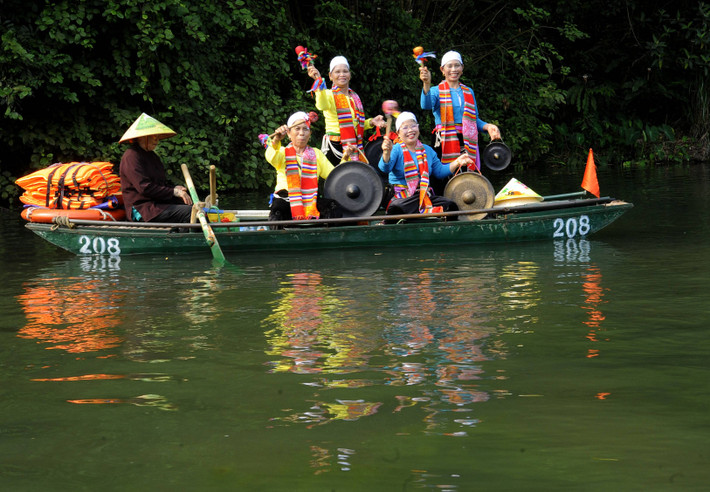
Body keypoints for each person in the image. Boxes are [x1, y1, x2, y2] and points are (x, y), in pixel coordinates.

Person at [420, 50, 501, 192]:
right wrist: (426, 84)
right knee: (445, 176)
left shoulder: (468, 91)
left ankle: (470, 206)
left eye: (457, 65)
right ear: (442, 70)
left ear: (462, 68)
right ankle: (445, 208)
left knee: (467, 176)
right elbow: (425, 105)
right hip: (444, 140)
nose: (453, 69)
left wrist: (488, 127)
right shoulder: (435, 90)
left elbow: (474, 121)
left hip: (467, 140)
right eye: (449, 66)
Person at [378, 111, 473, 216]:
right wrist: (386, 153)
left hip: (424, 196)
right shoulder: (396, 149)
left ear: (418, 128)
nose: (410, 130)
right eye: (405, 127)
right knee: (398, 208)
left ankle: (425, 212)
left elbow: (440, 172)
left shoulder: (427, 150)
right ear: (398, 133)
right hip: (402, 197)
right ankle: (423, 211)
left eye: (413, 126)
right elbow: (385, 169)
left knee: (450, 205)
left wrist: (458, 162)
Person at [265, 111, 344, 222]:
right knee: (278, 211)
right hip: (287, 199)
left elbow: (334, 175)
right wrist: (276, 139)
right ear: (288, 133)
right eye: (297, 129)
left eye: (305, 129)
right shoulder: (282, 152)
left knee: (333, 207)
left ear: (310, 133)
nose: (301, 133)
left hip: (310, 200)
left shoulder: (316, 154)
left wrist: (345, 157)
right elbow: (270, 157)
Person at [307, 55, 386, 166]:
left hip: (353, 145)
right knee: (337, 181)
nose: (342, 74)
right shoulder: (328, 94)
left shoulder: (354, 96)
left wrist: (371, 122)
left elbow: (355, 124)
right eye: (337, 72)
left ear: (349, 75)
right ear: (330, 76)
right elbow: (322, 105)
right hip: (336, 146)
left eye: (345, 71)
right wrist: (318, 81)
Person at [119, 113, 193, 223]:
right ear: (142, 137)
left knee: (194, 206)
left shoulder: (152, 156)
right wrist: (174, 192)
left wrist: (175, 188)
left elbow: (159, 184)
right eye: (153, 137)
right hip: (142, 209)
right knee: (190, 212)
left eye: (157, 137)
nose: (156, 141)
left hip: (156, 204)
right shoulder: (131, 156)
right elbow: (144, 188)